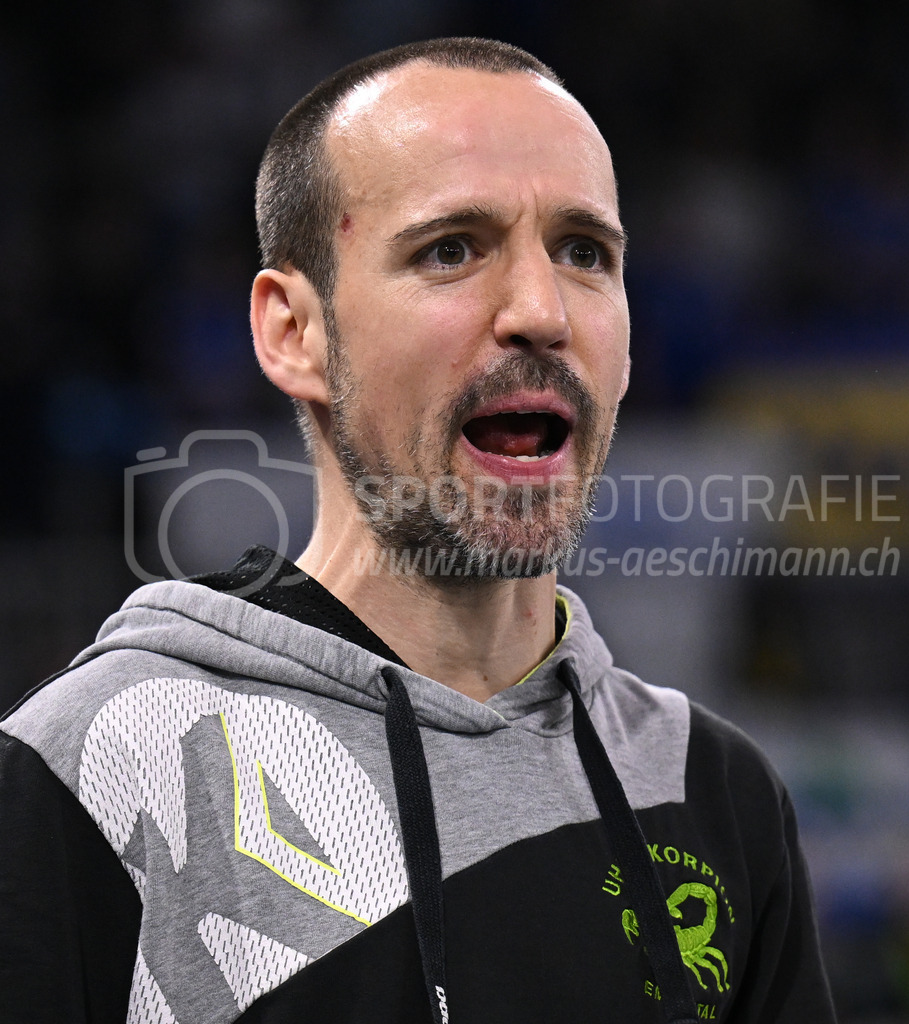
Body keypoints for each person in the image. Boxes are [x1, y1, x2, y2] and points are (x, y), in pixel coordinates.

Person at [0, 38, 836, 1024]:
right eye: (451, 248)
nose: (540, 310)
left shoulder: (708, 787)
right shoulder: (94, 766)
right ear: (293, 332)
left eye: (583, 251)